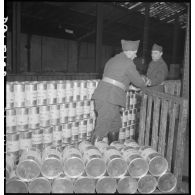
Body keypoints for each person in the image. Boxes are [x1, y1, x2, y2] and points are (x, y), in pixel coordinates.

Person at [91, 39, 149, 144]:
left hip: (106, 96)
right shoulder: (128, 63)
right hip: (109, 98)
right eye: (135, 53)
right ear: (130, 51)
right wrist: (144, 85)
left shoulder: (112, 60)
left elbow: (115, 80)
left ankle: (113, 149)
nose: (135, 56)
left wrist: (130, 88)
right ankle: (91, 156)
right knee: (102, 127)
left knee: (115, 124)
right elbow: (138, 81)